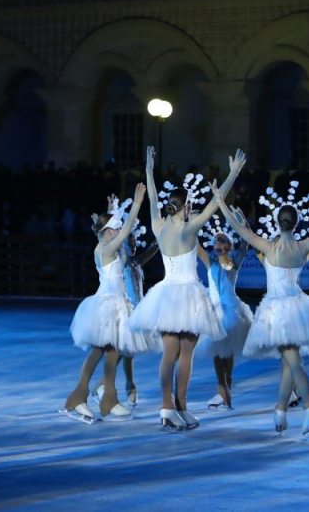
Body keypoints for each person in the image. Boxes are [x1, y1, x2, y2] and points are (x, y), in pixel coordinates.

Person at [213, 177, 309, 436]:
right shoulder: (302, 246)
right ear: (296, 224)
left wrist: (220, 199)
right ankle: (281, 411)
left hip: (277, 312)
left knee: (293, 363)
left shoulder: (269, 246)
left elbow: (238, 229)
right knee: (289, 362)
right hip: (298, 309)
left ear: (277, 222)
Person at [128, 148, 245, 432]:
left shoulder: (158, 225)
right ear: (186, 206)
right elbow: (216, 203)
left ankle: (166, 408)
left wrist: (149, 169)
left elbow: (153, 199)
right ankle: (179, 405)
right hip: (189, 295)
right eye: (189, 204)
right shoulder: (190, 227)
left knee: (169, 354)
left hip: (166, 296)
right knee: (186, 355)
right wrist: (234, 173)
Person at [62, 184, 148, 424]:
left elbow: (109, 228)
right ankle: (85, 396)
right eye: (115, 228)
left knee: (109, 352)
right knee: (103, 351)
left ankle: (102, 397)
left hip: (112, 303)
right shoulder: (108, 247)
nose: (120, 230)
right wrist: (138, 203)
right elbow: (126, 228)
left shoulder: (102, 244)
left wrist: (111, 211)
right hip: (110, 305)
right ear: (109, 232)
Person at [196, 213, 253, 410]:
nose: (217, 245)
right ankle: (221, 388)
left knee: (227, 352)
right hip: (213, 312)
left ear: (229, 246)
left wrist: (243, 223)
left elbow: (245, 244)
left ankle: (227, 382)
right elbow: (196, 245)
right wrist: (193, 222)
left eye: (222, 242)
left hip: (231, 312)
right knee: (216, 351)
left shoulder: (233, 262)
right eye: (215, 242)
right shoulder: (210, 263)